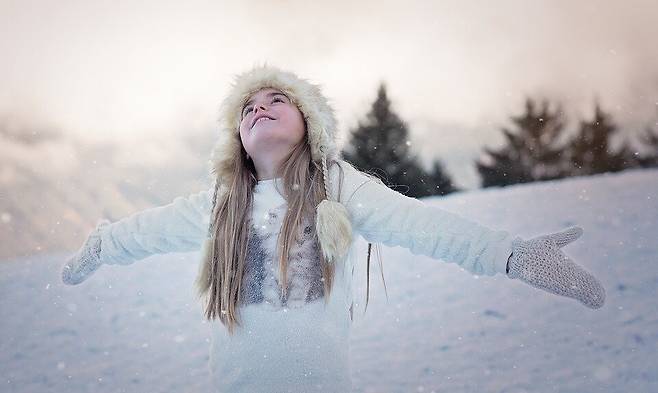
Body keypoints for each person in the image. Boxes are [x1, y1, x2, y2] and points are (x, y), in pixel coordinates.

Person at [61, 64, 606, 392]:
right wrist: (102, 243)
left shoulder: (339, 188)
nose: (260, 109)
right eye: (248, 107)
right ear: (237, 138)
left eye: (278, 100)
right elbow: (148, 230)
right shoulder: (220, 206)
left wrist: (511, 255)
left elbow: (420, 225)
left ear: (310, 125)